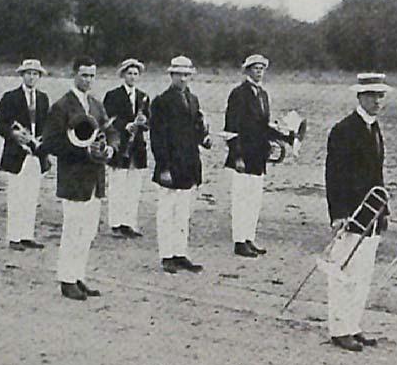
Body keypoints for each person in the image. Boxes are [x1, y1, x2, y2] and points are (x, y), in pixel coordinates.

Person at [324, 73, 391, 352]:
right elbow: (334, 175)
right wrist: (338, 213)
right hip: (351, 215)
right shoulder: (344, 130)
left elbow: (377, 175)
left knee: (363, 276)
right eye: (372, 95)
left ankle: (354, 325)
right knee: (345, 274)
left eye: (380, 96)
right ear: (360, 97)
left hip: (371, 214)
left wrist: (383, 210)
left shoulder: (374, 129)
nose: (377, 101)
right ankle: (340, 329)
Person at [42, 57, 117, 301]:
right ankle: (66, 280)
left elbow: (111, 132)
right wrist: (83, 151)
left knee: (88, 232)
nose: (88, 80)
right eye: (84, 75)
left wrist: (109, 149)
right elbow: (51, 143)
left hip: (95, 178)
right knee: (73, 231)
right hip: (74, 178)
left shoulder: (96, 104)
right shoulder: (61, 106)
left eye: (92, 75)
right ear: (74, 74)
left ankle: (78, 276)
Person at [149, 55, 212, 274]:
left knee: (183, 212)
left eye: (187, 75)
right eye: (179, 75)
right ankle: (167, 255)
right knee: (167, 212)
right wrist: (164, 167)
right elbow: (157, 138)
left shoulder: (193, 99)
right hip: (171, 164)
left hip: (189, 164)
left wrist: (204, 138)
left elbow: (195, 129)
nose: (184, 79)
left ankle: (180, 252)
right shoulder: (161, 101)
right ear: (172, 75)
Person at [223, 54, 289, 257]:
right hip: (243, 155)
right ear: (247, 70)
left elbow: (263, 126)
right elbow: (231, 128)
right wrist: (237, 156)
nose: (259, 71)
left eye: (262, 68)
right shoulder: (238, 93)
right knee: (241, 200)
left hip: (259, 156)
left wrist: (283, 135)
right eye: (255, 68)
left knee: (254, 201)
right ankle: (239, 241)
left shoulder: (263, 94)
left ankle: (249, 238)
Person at [0, 59, 52, 251]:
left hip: (36, 153)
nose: (32, 77)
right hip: (16, 153)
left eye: (36, 74)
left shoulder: (43, 98)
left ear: (40, 77)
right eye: (28, 73)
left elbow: (47, 125)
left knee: (31, 196)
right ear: (22, 75)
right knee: (16, 196)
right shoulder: (10, 97)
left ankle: (27, 235)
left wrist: (43, 141)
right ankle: (14, 237)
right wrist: (14, 134)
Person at [103, 58, 150, 239]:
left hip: (137, 147)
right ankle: (116, 224)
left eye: (135, 74)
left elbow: (149, 121)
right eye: (129, 73)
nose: (132, 76)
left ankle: (129, 223)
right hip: (119, 146)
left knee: (133, 187)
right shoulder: (113, 95)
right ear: (123, 75)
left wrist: (143, 123)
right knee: (118, 185)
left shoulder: (143, 97)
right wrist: (126, 126)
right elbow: (108, 120)